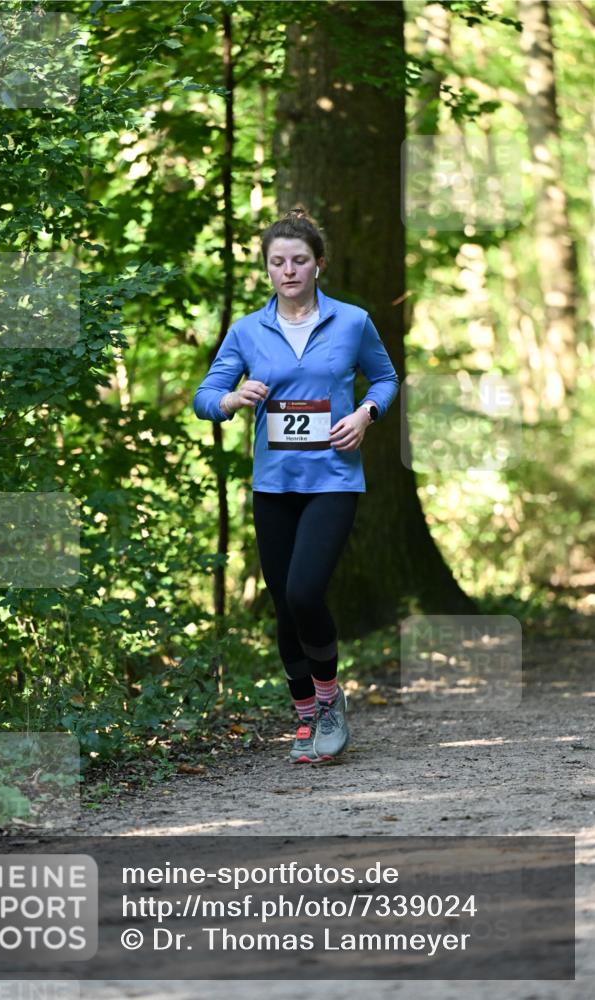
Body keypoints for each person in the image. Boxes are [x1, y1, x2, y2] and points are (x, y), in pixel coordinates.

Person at [193, 207, 399, 763]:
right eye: (277, 262)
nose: (289, 270)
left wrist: (365, 414)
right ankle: (305, 715)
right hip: (274, 485)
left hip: (333, 478)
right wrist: (232, 400)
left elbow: (385, 377)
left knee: (306, 590)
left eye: (299, 260)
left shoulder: (352, 322)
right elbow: (204, 396)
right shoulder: (247, 331)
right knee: (285, 605)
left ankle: (329, 701)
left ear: (318, 265)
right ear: (266, 270)